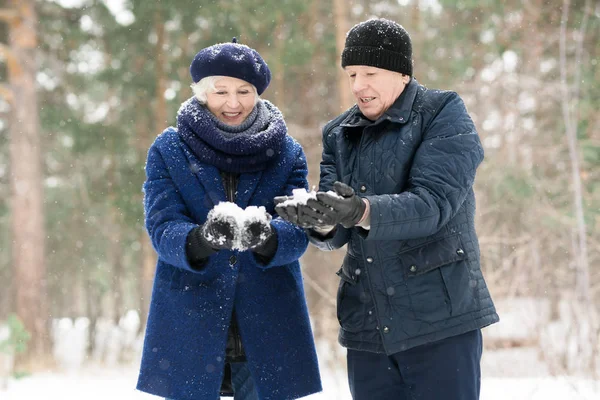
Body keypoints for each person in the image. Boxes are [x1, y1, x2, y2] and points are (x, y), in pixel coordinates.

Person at [275, 18, 499, 400]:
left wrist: (360, 210)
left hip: (439, 323)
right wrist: (324, 223)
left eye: (370, 73)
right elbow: (339, 226)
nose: (359, 85)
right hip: (368, 329)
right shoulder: (339, 133)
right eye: (351, 74)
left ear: (402, 74)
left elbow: (433, 204)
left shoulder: (443, 113)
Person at [137, 38, 322, 400]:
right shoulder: (168, 149)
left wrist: (269, 237)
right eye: (220, 91)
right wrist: (200, 240)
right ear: (202, 93)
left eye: (244, 91)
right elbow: (161, 225)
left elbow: (300, 228)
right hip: (191, 320)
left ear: (258, 93)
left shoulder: (287, 153)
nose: (233, 103)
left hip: (268, 324)